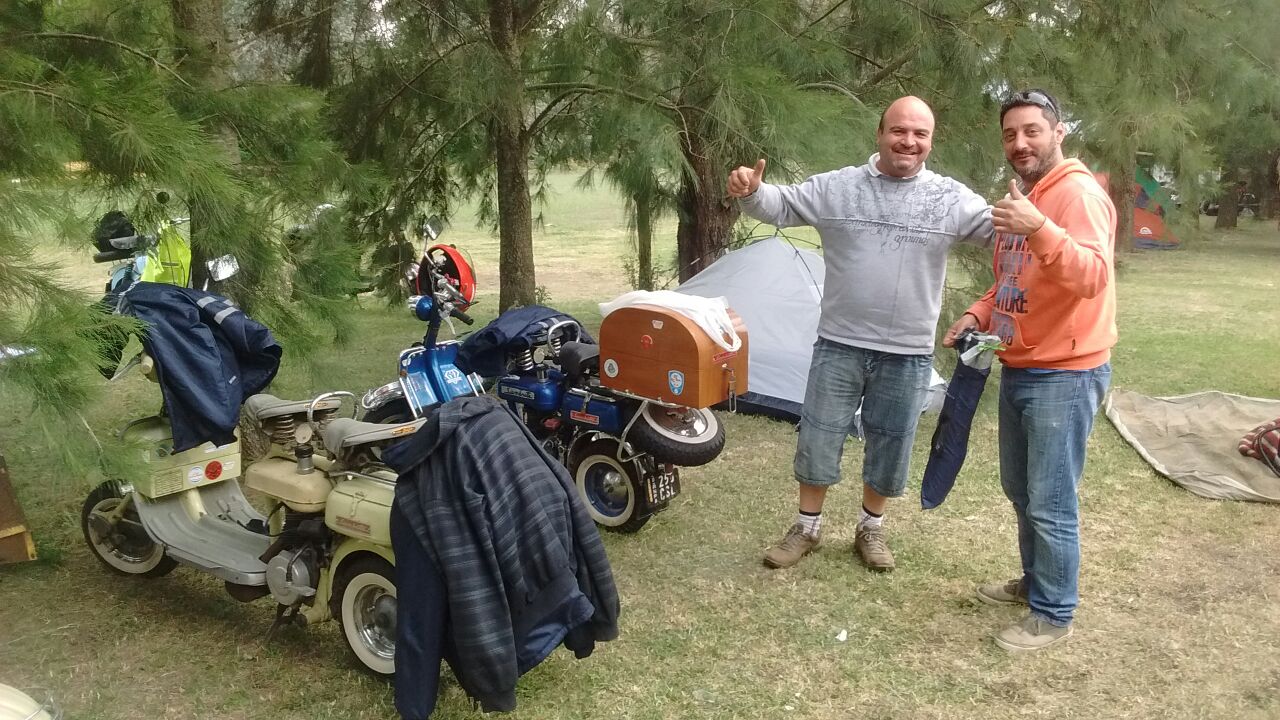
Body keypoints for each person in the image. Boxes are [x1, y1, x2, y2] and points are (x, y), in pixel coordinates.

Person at [726, 96, 994, 572]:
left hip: (908, 352)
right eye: (899, 130)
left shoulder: (950, 198)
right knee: (818, 435)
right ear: (880, 133)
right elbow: (781, 204)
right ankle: (807, 527)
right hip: (839, 343)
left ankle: (871, 528)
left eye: (920, 134)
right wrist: (751, 191)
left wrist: (1041, 214)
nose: (908, 141)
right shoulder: (839, 187)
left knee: (891, 441)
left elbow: (1001, 229)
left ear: (931, 141)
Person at [943, 88, 1116, 651]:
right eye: (1010, 134)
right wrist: (977, 313)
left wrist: (1039, 227)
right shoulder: (1029, 196)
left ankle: (1055, 612)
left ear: (1058, 132)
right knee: (1021, 489)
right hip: (1021, 363)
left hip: (1065, 373)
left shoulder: (1077, 195)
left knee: (1051, 498)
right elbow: (1012, 281)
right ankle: (1036, 581)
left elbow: (1092, 276)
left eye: (1032, 131)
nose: (1020, 143)